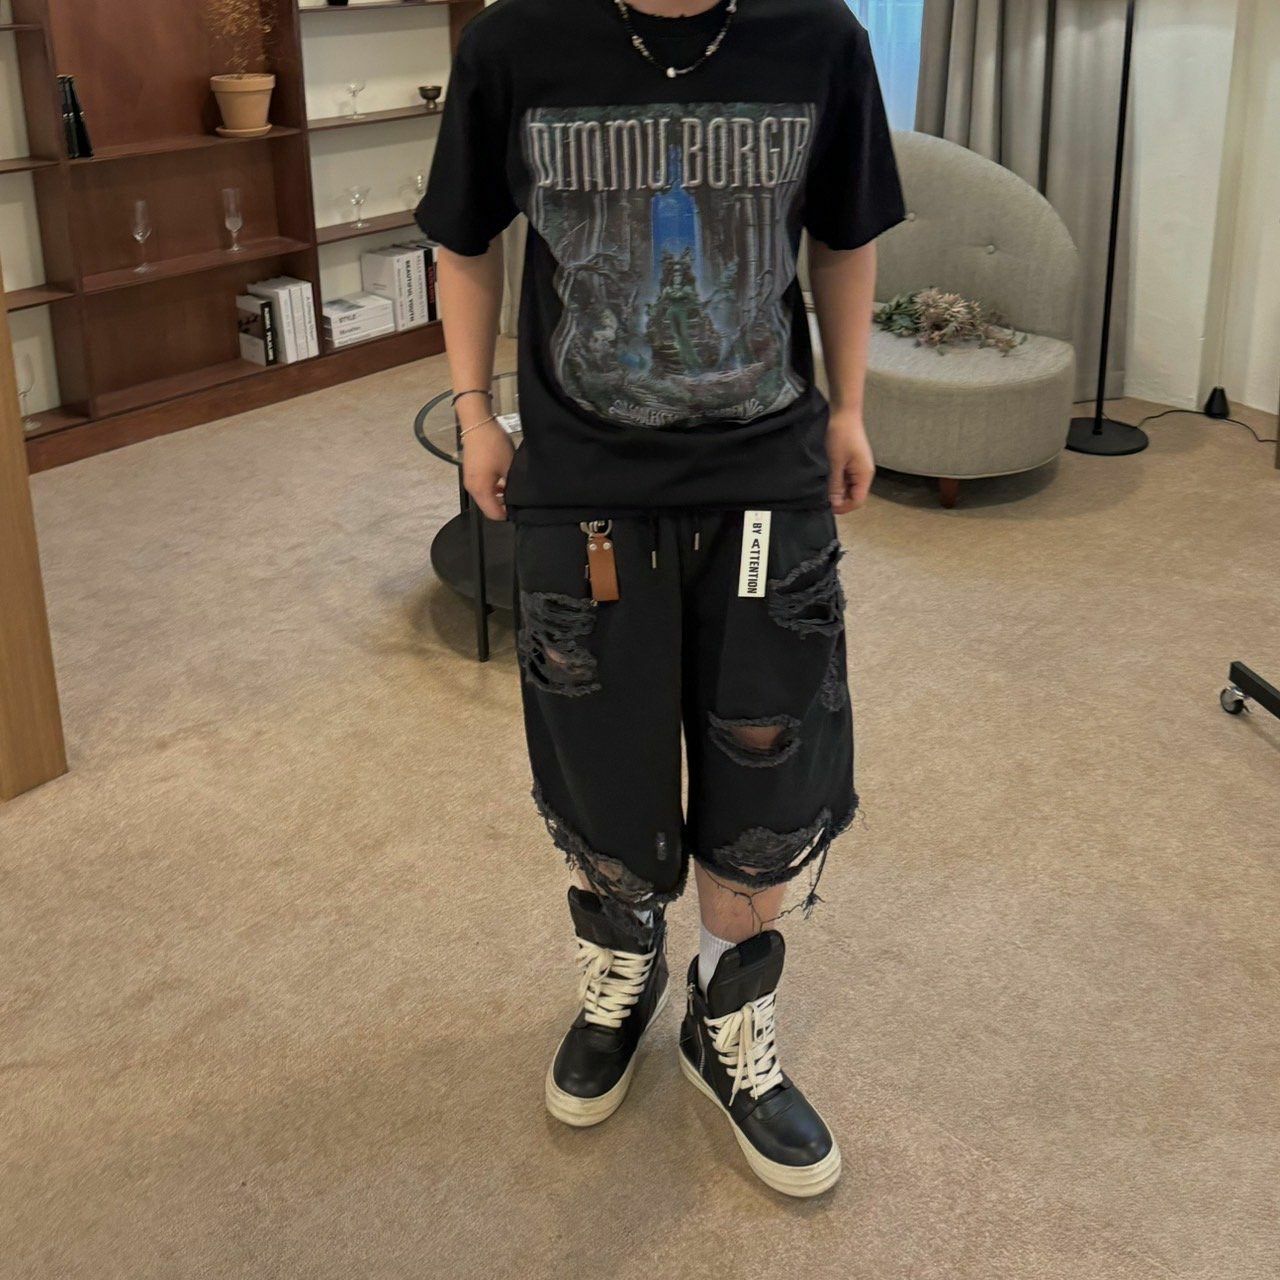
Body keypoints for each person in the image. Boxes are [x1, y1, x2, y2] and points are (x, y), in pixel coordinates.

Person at [416, 0, 904, 1198]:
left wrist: (848, 407)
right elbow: (464, 238)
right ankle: (622, 966)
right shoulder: (513, 41)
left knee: (763, 769)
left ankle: (724, 1018)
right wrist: (475, 411)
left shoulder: (818, 37)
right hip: (583, 487)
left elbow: (842, 236)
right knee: (601, 763)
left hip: (765, 480)